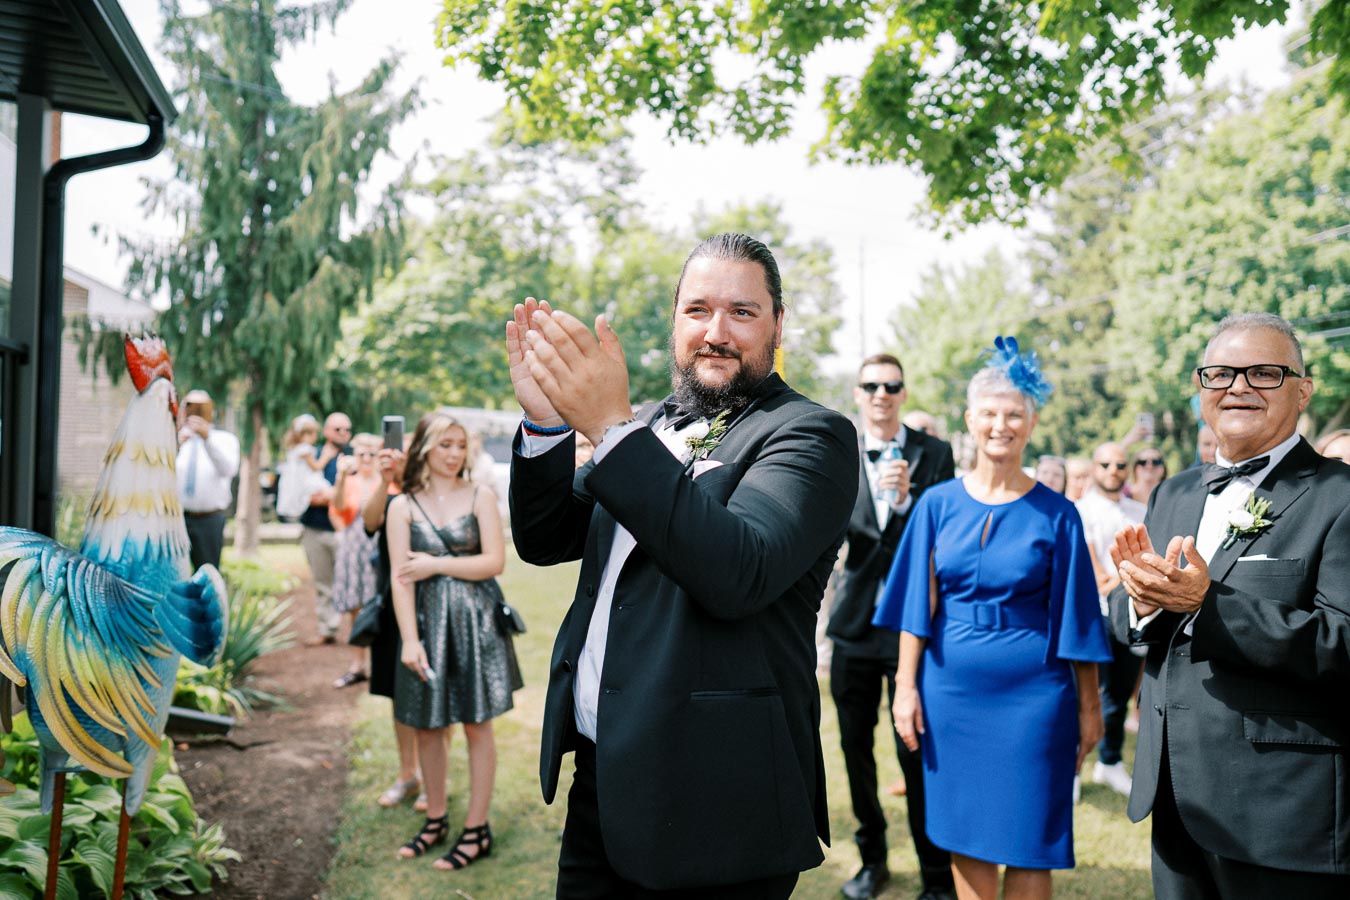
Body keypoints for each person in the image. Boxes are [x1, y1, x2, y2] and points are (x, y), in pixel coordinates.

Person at [507, 233, 857, 897]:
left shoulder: (811, 435)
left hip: (720, 802)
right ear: (675, 322)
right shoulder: (649, 425)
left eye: (742, 312)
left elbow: (739, 571)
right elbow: (547, 536)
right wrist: (548, 422)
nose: (715, 332)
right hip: (606, 782)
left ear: (778, 324)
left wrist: (611, 432)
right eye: (696, 310)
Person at [1109, 313, 1350, 898]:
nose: (1238, 386)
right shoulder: (1174, 491)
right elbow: (1129, 615)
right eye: (1220, 373)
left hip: (1281, 810)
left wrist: (1209, 607)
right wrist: (1138, 603)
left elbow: (1343, 642)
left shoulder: (1339, 496)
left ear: (1303, 390)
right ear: (1201, 390)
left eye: (1263, 373)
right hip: (1173, 797)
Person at [874, 336, 1110, 900]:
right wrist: (905, 689)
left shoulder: (1060, 514)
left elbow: (1078, 619)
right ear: (969, 420)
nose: (1000, 425)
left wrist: (1090, 708)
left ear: (1030, 423)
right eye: (988, 414)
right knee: (968, 837)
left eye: (1013, 414)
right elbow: (915, 607)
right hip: (950, 695)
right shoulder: (935, 505)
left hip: (1037, 698)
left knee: (1031, 840)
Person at [827, 353, 956, 900]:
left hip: (912, 627)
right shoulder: (834, 451)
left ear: (903, 392)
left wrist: (907, 503)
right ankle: (872, 862)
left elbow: (945, 535)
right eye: (871, 385)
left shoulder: (935, 454)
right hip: (853, 626)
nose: (881, 393)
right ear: (857, 393)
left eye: (892, 385)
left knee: (918, 752)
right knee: (856, 752)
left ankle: (935, 876)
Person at [388, 411, 521, 871]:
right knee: (427, 724)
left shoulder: (481, 494)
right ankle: (437, 818)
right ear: (423, 447)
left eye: (460, 445)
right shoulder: (402, 506)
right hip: (425, 625)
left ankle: (477, 828)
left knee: (475, 724)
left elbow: (493, 563)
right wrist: (408, 640)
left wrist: (436, 564)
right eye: (444, 444)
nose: (453, 454)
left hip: (475, 623)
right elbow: (399, 578)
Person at [1074, 441, 1146, 797]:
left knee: (1118, 694)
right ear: (1093, 467)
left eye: (1120, 465)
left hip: (1131, 615)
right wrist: (1133, 568)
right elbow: (1099, 578)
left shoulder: (1141, 511)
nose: (1113, 471)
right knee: (1083, 694)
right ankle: (1072, 770)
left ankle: (1110, 761)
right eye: (1105, 464)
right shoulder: (1080, 511)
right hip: (1092, 616)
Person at [331, 433, 384, 688]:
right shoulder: (349, 482)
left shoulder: (387, 482)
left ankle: (378, 664)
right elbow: (339, 507)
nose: (366, 459)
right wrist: (341, 477)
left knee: (378, 605)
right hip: (354, 547)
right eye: (361, 454)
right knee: (356, 607)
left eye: (371, 454)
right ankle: (356, 665)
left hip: (378, 546)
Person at [299, 412, 350, 645]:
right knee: (322, 582)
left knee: (348, 580)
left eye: (346, 430)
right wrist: (333, 496)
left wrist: (328, 495)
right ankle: (327, 629)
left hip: (345, 531)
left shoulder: (354, 458)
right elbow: (302, 493)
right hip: (315, 528)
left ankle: (353, 629)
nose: (343, 434)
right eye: (337, 429)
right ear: (326, 431)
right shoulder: (312, 455)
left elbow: (354, 495)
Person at [175, 389, 240, 569]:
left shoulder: (225, 440)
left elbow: (228, 470)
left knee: (207, 573)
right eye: (189, 406)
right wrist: (176, 444)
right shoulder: (178, 440)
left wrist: (207, 439)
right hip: (177, 519)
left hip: (208, 520)